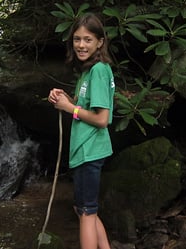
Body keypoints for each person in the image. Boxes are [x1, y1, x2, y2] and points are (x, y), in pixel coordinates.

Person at [48, 13, 114, 249]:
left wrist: (69, 109)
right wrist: (65, 98)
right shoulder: (89, 71)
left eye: (88, 39)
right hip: (85, 150)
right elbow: (83, 104)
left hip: (90, 149)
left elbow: (102, 119)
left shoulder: (98, 70)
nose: (81, 45)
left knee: (86, 212)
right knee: (85, 209)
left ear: (100, 42)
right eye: (77, 39)